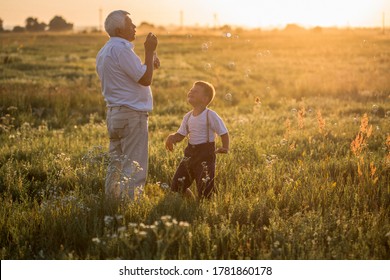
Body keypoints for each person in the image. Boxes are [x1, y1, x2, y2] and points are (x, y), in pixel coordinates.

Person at [96, 10, 159, 199]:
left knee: (115, 164)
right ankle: (130, 208)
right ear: (119, 30)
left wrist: (150, 61)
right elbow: (145, 79)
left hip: (115, 114)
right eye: (130, 24)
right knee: (134, 167)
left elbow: (132, 75)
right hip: (132, 116)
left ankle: (112, 202)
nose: (134, 27)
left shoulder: (105, 50)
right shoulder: (122, 49)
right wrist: (149, 51)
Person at [165, 81, 229, 199]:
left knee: (205, 189)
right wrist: (172, 137)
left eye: (195, 91)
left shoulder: (210, 115)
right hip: (189, 154)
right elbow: (181, 134)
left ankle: (204, 206)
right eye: (191, 90)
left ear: (205, 99)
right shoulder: (188, 116)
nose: (191, 91)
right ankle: (191, 201)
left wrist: (225, 147)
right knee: (177, 184)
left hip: (205, 155)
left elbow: (223, 132)